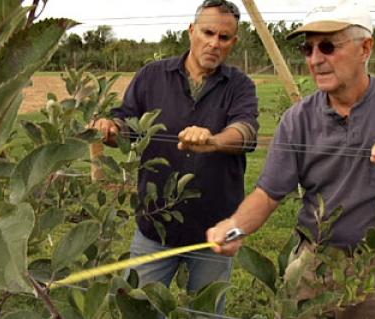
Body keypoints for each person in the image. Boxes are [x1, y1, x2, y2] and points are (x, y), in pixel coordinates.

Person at [207, 1, 375, 318]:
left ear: (365, 48)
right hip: (314, 265)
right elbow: (268, 194)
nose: (316, 60)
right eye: (308, 49)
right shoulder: (297, 120)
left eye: (328, 47)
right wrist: (233, 229)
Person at [93, 0, 259, 313]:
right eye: (208, 32)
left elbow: (246, 131)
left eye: (224, 38)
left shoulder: (240, 85)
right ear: (191, 31)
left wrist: (213, 141)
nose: (214, 43)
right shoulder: (151, 76)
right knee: (136, 308)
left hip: (217, 229)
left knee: (205, 311)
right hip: (154, 227)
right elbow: (126, 122)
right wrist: (110, 128)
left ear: (233, 43)